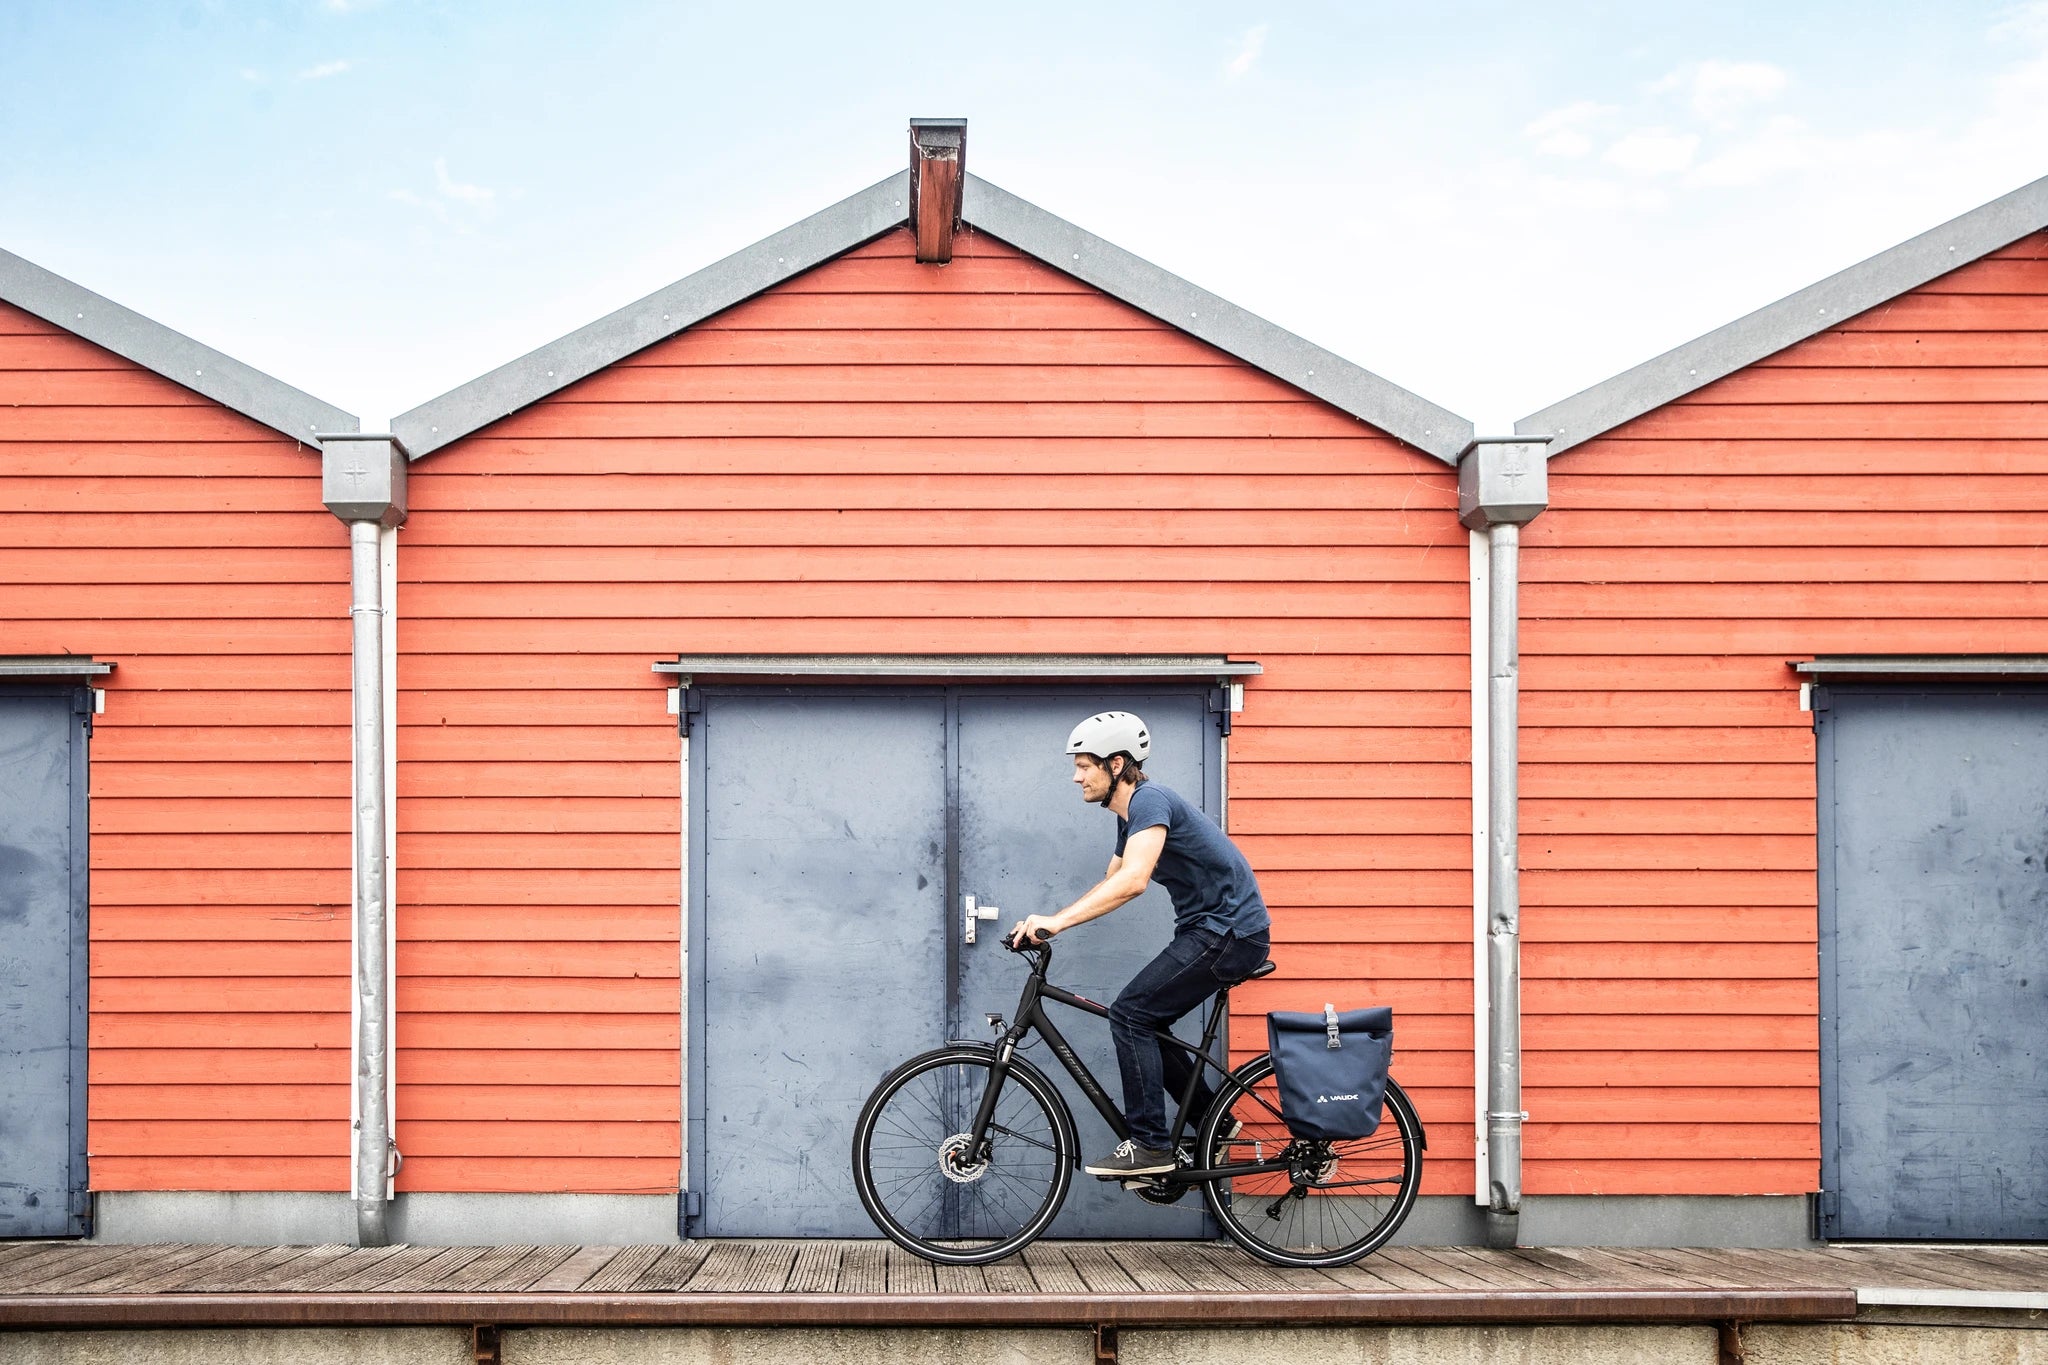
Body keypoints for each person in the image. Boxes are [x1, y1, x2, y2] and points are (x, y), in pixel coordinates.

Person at [1007, 710, 1273, 1178]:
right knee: (1146, 1021)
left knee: (1130, 1014)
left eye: (1084, 765)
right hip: (1211, 932)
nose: (1075, 777)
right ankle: (1214, 1120)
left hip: (1231, 932)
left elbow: (1133, 882)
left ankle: (1150, 1146)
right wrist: (1045, 921)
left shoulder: (1150, 801)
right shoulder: (1130, 816)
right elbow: (1109, 881)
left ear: (1115, 765)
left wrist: (1059, 923)